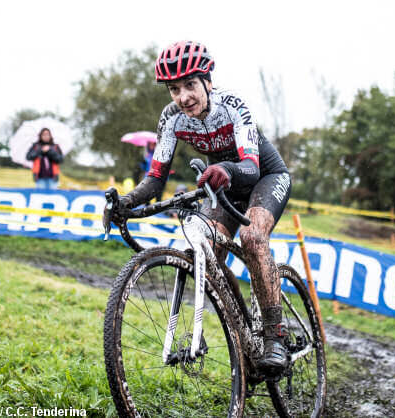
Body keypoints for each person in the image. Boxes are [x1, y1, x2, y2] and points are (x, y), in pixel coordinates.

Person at [104, 41, 292, 374]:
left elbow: (250, 166)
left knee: (252, 239)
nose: (183, 96)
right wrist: (126, 202)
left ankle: (276, 337)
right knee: (208, 256)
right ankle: (245, 331)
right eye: (174, 89)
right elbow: (155, 180)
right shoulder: (172, 118)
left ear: (207, 80)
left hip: (263, 177)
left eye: (190, 85)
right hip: (222, 187)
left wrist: (227, 169)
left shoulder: (233, 106)